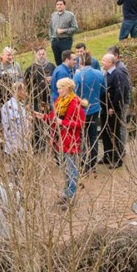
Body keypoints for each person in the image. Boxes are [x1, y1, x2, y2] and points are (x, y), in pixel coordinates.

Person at [36, 77, 85, 209]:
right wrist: (43, 117)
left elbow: (80, 123)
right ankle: (66, 194)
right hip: (60, 141)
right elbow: (53, 118)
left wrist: (63, 123)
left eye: (60, 88)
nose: (58, 91)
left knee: (72, 170)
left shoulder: (74, 103)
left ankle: (71, 197)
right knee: (66, 170)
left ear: (67, 88)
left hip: (71, 141)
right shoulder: (60, 101)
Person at [74, 56, 105, 174]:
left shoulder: (78, 75)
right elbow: (103, 89)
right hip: (95, 108)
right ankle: (92, 163)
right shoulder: (99, 73)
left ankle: (84, 164)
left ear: (80, 62)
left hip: (82, 111)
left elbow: (74, 92)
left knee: (82, 137)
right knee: (93, 137)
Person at [24, 47, 55, 151]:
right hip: (36, 99)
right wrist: (28, 102)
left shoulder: (51, 66)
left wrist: (52, 80)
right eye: (39, 54)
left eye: (43, 54)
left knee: (50, 121)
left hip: (49, 99)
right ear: (35, 55)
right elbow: (27, 86)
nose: (41, 56)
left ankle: (50, 144)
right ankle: (38, 146)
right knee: (37, 123)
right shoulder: (30, 69)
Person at [100, 53, 129, 168]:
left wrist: (113, 107)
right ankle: (107, 156)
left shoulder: (117, 74)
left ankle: (118, 158)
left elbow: (120, 92)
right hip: (105, 109)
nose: (102, 62)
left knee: (115, 134)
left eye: (104, 61)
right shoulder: (106, 74)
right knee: (105, 132)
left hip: (113, 110)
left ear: (110, 63)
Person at [1, 82, 32, 158]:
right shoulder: (14, 107)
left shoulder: (10, 105)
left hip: (15, 145)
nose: (27, 93)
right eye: (25, 90)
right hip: (17, 146)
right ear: (19, 92)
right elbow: (14, 126)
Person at [48, 0, 80, 66]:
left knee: (66, 60)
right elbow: (50, 27)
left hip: (66, 41)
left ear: (64, 5)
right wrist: (51, 39)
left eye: (61, 4)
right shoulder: (53, 15)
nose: (59, 6)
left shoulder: (70, 15)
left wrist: (64, 31)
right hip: (55, 41)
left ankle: (69, 73)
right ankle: (60, 74)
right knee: (57, 60)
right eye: (57, 4)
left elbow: (75, 28)